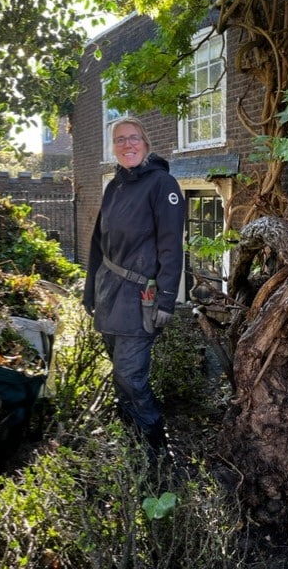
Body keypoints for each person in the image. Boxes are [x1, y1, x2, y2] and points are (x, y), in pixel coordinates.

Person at [83, 116, 185, 460]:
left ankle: (157, 449)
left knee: (131, 375)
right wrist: (90, 290)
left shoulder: (162, 184)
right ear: (114, 148)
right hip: (109, 294)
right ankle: (131, 439)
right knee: (120, 373)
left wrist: (166, 300)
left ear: (146, 143)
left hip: (141, 299)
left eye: (133, 138)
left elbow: (171, 248)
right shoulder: (114, 187)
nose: (127, 144)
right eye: (120, 139)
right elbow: (98, 244)